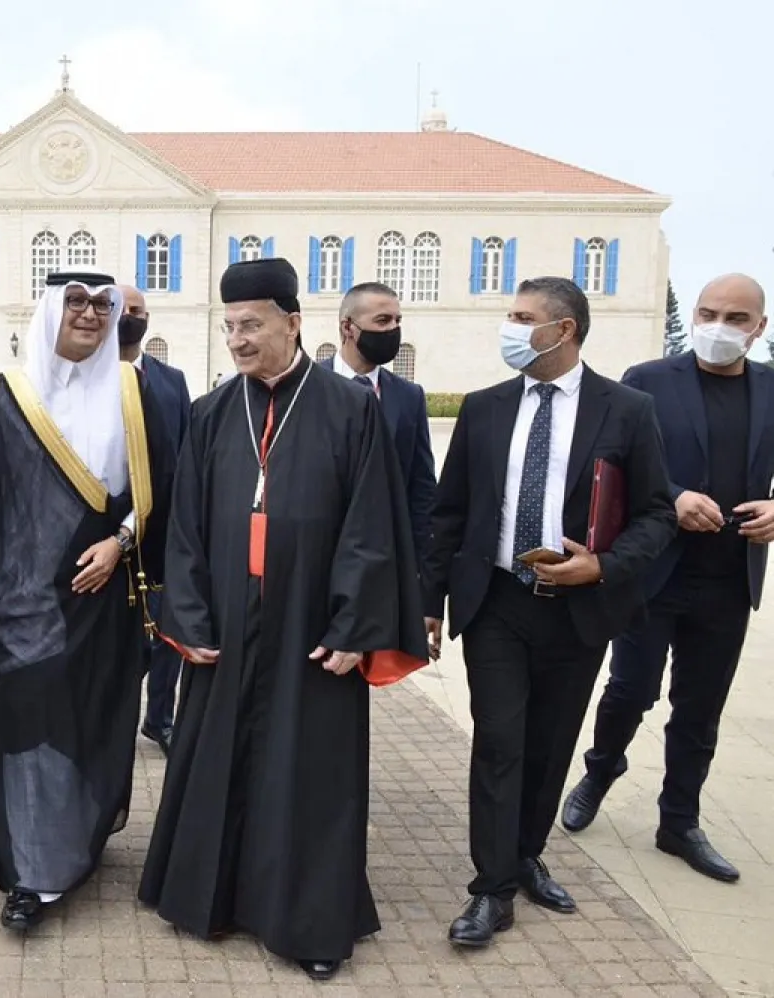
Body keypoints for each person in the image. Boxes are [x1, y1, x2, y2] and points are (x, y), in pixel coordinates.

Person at [137, 258, 428, 982]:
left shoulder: (351, 408)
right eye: (230, 326)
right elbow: (185, 531)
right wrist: (192, 616)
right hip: (230, 626)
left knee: (309, 772)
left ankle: (309, 921)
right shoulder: (209, 412)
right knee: (223, 759)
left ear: (293, 324)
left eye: (252, 325)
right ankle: (215, 899)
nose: (238, 340)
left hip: (311, 625)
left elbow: (372, 528)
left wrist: (354, 623)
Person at [423, 276, 677, 948]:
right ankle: (492, 890)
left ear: (562, 330)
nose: (508, 327)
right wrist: (428, 603)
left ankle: (526, 853)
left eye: (520, 316)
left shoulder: (626, 410)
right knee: (501, 741)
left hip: (578, 608)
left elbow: (657, 512)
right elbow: (449, 513)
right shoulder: (484, 407)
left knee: (551, 741)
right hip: (498, 601)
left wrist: (605, 564)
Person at [0, 270, 174, 932]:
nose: (89, 314)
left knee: (94, 717)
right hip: (24, 602)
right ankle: (33, 875)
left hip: (104, 596)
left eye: (101, 305)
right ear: (50, 310)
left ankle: (78, 836)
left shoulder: (137, 391)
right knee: (26, 720)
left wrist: (121, 544)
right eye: (75, 302)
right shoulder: (11, 395)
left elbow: (163, 486)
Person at [562, 274, 773, 882]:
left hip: (730, 579)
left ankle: (679, 821)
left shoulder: (770, 389)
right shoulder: (649, 382)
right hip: (654, 574)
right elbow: (612, 467)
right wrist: (674, 497)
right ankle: (600, 771)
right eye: (707, 313)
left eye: (736, 319)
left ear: (759, 328)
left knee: (700, 707)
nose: (717, 327)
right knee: (631, 691)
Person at [116, 283, 192, 755]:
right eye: (123, 310)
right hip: (109, 537)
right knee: (123, 647)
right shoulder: (88, 379)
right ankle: (116, 718)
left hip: (164, 534)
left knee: (168, 635)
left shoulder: (172, 380)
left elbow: (185, 452)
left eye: (139, 310)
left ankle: (160, 718)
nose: (132, 317)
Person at [317, 281, 436, 560]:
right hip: (320, 553)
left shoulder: (409, 396)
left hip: (385, 556)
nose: (392, 330)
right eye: (382, 321)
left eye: (397, 321)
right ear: (348, 327)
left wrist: (420, 565)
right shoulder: (308, 386)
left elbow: (422, 487)